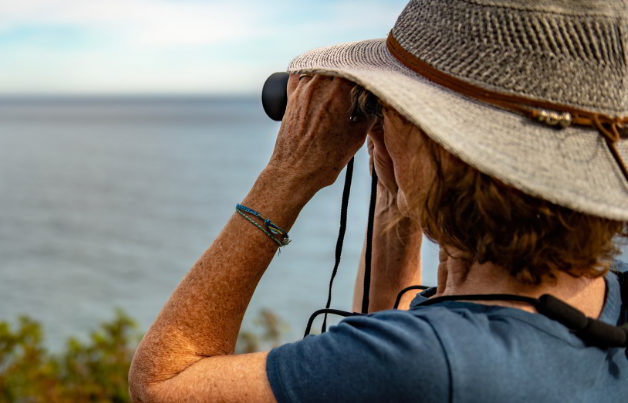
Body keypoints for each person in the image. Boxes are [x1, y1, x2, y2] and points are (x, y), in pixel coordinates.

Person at [128, 0, 628, 402]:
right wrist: (398, 193)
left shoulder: (432, 364)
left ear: (445, 152)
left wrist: (287, 176)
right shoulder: (606, 306)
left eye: (398, 109)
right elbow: (392, 332)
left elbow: (164, 382)